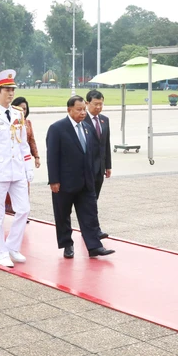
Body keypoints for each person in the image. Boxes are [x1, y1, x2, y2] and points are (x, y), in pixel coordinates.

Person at [0, 70, 34, 268]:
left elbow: (23, 143)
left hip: (17, 169)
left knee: (23, 210)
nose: (11, 94)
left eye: (13, 90)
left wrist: (28, 166)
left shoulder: (19, 113)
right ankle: (1, 252)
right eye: (7, 90)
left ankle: (12, 246)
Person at [46, 96, 113, 259]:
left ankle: (94, 246)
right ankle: (67, 244)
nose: (83, 113)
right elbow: (52, 156)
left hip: (86, 181)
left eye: (84, 109)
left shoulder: (87, 128)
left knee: (89, 213)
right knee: (63, 215)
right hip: (64, 182)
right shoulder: (57, 128)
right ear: (69, 110)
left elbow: (91, 154)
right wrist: (54, 180)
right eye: (79, 109)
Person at [82, 89, 111, 239]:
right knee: (89, 201)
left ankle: (90, 229)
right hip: (86, 168)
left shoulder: (104, 120)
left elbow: (106, 144)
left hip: (99, 168)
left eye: (101, 104)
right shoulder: (81, 120)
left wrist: (108, 165)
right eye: (95, 104)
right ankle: (93, 230)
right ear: (87, 103)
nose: (98, 107)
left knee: (94, 199)